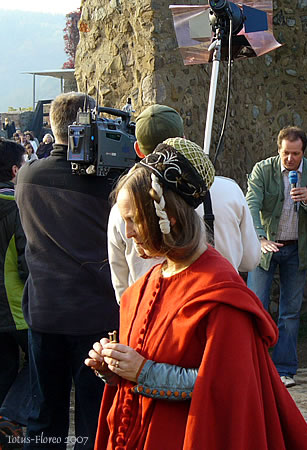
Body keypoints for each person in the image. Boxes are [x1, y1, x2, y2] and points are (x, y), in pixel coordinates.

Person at [86, 145, 307, 450]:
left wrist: (144, 372)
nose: (128, 233)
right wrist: (114, 368)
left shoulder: (221, 295)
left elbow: (227, 386)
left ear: (168, 217)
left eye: (134, 220)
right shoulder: (141, 289)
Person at [15, 92, 119, 449]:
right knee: (94, 420)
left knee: (44, 418)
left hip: (44, 311)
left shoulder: (28, 174)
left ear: (54, 125)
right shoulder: (108, 182)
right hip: (94, 315)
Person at [107, 104, 260, 302]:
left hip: (148, 309)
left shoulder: (122, 206)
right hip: (222, 300)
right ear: (184, 140)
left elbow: (122, 290)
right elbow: (250, 260)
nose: (131, 231)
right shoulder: (230, 191)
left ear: (137, 148)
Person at [246, 126, 307, 388]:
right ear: (278, 150)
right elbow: (251, 204)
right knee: (256, 308)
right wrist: (260, 238)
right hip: (265, 247)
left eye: (295, 154)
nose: (290, 159)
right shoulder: (263, 170)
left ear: (303, 152)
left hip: (297, 249)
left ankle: (284, 370)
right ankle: (254, 367)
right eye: (285, 153)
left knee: (290, 313)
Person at [0, 139, 30, 446]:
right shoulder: (17, 206)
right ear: (13, 170)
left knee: (4, 368)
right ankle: (10, 416)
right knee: (37, 363)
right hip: (16, 307)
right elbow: (26, 264)